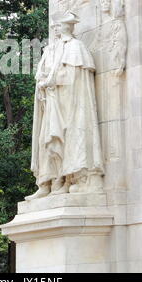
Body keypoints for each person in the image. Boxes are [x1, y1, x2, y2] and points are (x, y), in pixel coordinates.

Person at [26, 11, 104, 200]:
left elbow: (74, 78)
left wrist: (52, 81)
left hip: (67, 103)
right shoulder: (50, 50)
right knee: (48, 140)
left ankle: (68, 179)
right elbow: (42, 73)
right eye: (53, 26)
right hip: (51, 101)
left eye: (57, 26)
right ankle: (49, 182)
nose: (54, 29)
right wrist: (43, 82)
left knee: (63, 138)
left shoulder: (76, 47)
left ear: (66, 27)